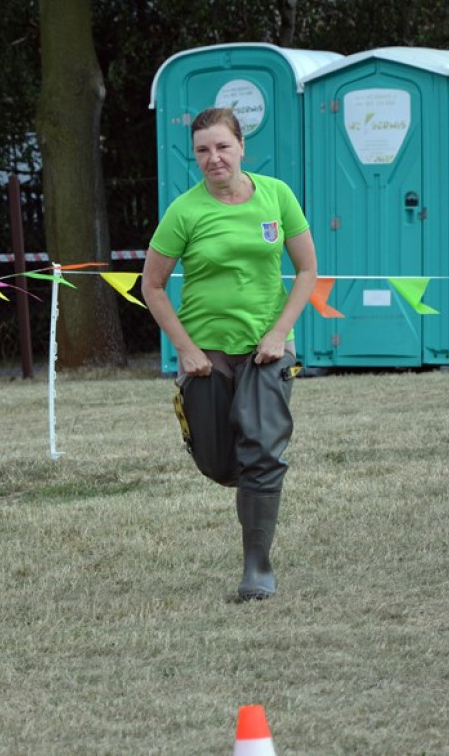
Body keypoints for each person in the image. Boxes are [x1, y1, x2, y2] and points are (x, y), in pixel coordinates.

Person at [141, 107, 318, 601]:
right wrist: (186, 348)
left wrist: (279, 333)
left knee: (262, 451)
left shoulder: (277, 196)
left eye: (222, 146)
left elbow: (307, 270)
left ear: (241, 146)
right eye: (202, 150)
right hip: (207, 356)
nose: (213, 157)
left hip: (267, 350)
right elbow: (150, 285)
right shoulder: (185, 211)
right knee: (220, 464)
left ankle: (257, 570)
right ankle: (251, 483)